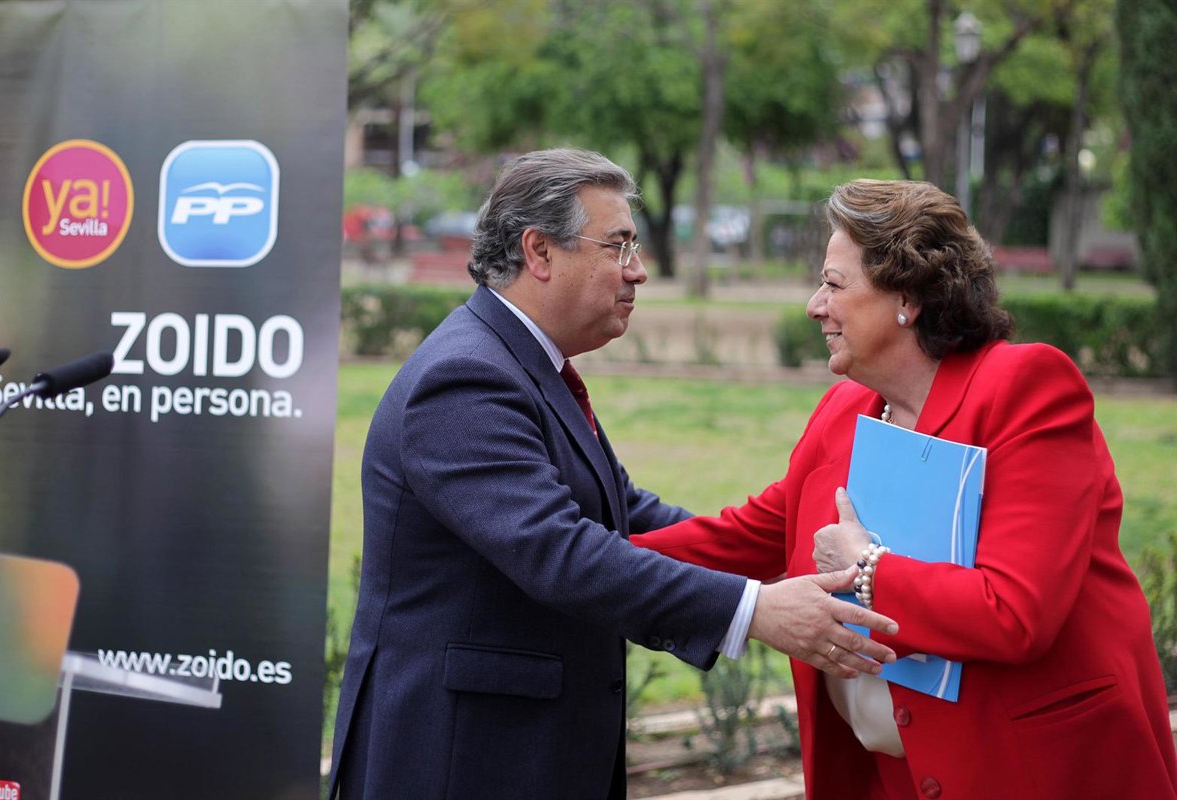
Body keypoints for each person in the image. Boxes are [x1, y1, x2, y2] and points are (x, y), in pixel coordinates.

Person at [327, 149, 899, 800]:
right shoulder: (466, 379)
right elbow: (560, 553)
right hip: (459, 759)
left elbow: (625, 515)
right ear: (540, 251)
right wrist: (754, 609)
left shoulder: (524, 365)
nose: (639, 271)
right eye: (620, 245)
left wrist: (792, 561)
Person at [632, 179, 1177, 799]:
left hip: (1035, 770)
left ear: (908, 297)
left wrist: (868, 567)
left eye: (833, 284)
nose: (814, 305)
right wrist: (589, 562)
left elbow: (1017, 613)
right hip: (894, 777)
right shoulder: (844, 410)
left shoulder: (1026, 389)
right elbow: (748, 534)